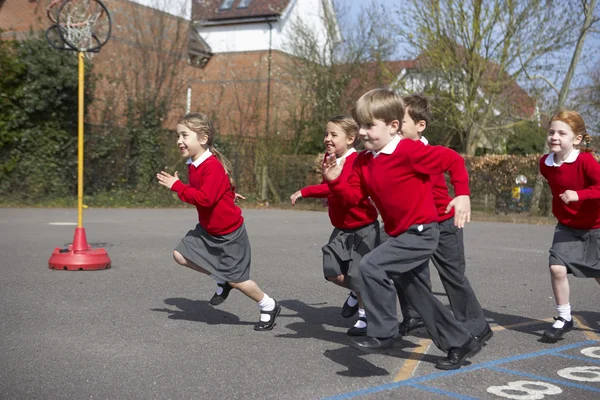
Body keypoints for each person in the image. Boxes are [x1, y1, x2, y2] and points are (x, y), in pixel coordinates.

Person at [323, 88, 481, 370]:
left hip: (421, 232)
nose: (362, 132)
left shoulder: (410, 151)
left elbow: (453, 161)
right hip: (399, 234)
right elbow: (354, 200)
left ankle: (383, 331)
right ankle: (460, 340)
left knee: (371, 266)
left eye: (370, 126)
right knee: (418, 295)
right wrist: (335, 182)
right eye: (360, 125)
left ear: (393, 126)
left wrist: (463, 193)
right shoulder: (364, 161)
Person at [156, 113, 280, 331]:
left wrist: (177, 186)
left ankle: (268, 305)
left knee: (238, 281)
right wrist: (229, 193)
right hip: (208, 230)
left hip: (229, 234)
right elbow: (209, 190)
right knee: (180, 254)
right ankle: (220, 278)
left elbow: (205, 198)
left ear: (203, 138)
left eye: (185, 135)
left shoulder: (210, 165)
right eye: (178, 135)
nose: (179, 140)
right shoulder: (193, 163)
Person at [395, 93, 492, 346]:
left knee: (452, 276)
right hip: (416, 223)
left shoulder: (427, 152)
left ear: (420, 125)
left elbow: (455, 162)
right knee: (406, 270)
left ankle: (477, 326)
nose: (395, 126)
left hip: (444, 223)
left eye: (400, 121)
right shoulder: (395, 151)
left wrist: (462, 195)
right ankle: (414, 316)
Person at [290, 115, 380, 336]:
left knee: (358, 274)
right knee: (331, 272)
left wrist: (305, 192)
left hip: (363, 228)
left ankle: (365, 316)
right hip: (341, 227)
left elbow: (336, 188)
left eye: (333, 134)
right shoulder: (330, 158)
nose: (327, 138)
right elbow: (328, 184)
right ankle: (356, 291)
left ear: (350, 139)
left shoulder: (356, 161)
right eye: (326, 133)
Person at [539, 110, 600, 342]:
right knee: (557, 268)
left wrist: (579, 195)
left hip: (595, 227)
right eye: (551, 132)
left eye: (561, 133)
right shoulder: (545, 163)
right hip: (566, 227)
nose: (554, 136)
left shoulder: (585, 161)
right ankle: (564, 317)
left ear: (576, 139)